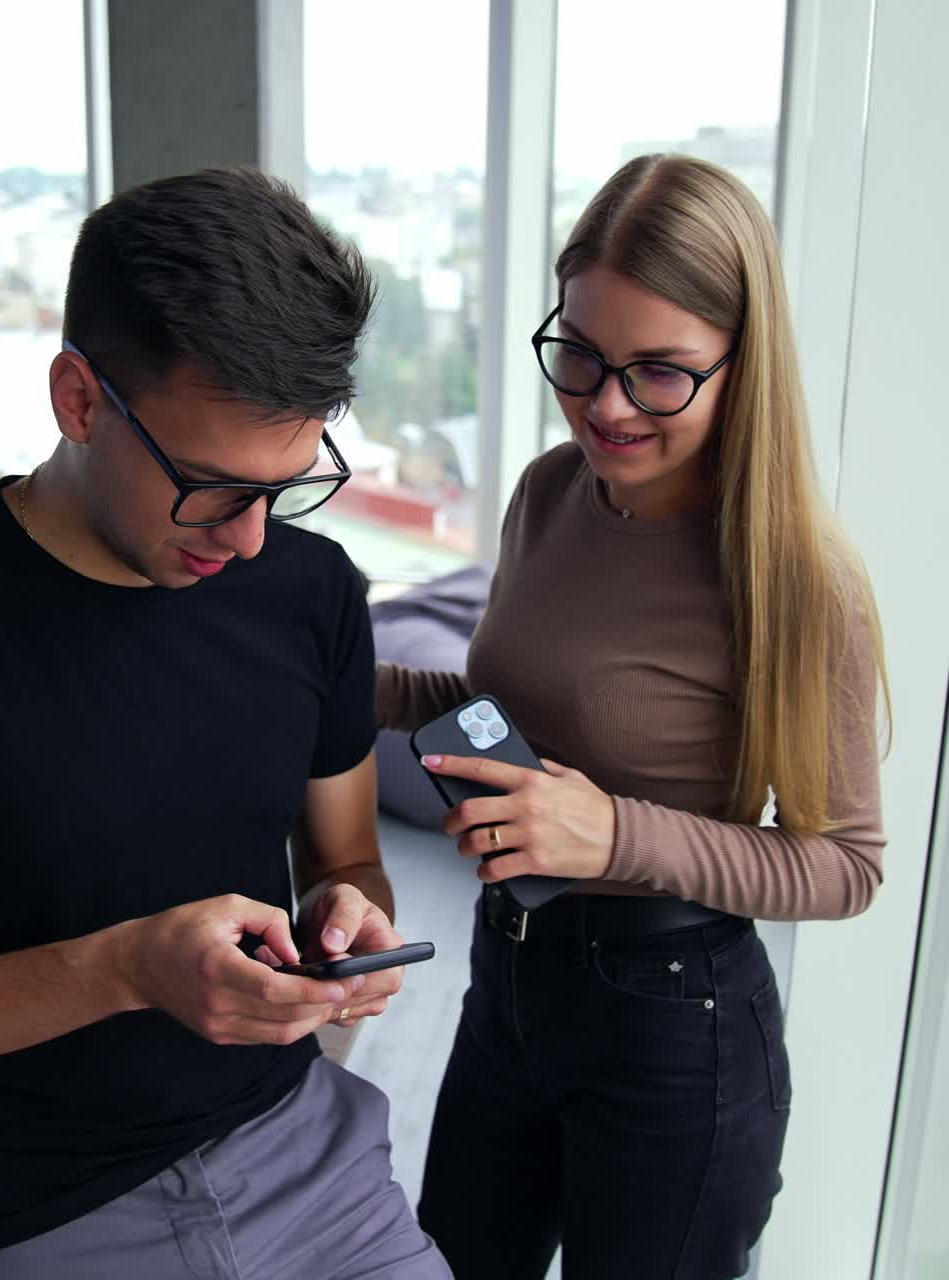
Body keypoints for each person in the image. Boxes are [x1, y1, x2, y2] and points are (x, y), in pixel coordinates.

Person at [0, 167, 451, 1280]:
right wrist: (132, 965)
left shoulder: (314, 591)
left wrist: (350, 924)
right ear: (80, 401)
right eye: (213, 489)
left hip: (310, 1158)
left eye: (285, 487)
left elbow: (349, 858)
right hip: (41, 1208)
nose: (248, 543)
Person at [378, 154, 889, 1280]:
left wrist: (614, 835)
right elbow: (492, 715)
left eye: (658, 372)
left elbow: (843, 864)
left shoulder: (794, 576)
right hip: (505, 981)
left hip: (673, 1026)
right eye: (580, 354)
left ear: (740, 364)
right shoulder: (547, 492)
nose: (602, 404)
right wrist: (338, 669)